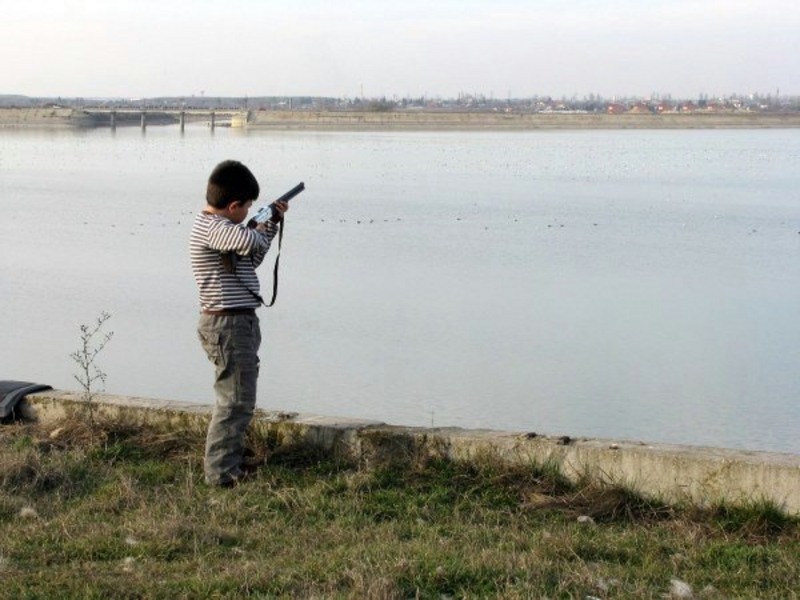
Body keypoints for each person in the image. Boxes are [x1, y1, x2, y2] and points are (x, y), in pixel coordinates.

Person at [190, 160, 288, 487]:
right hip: (226, 325)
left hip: (238, 323)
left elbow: (252, 257)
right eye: (246, 207)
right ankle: (222, 473)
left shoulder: (227, 232)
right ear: (233, 206)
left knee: (240, 396)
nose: (248, 212)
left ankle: (230, 459)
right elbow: (249, 242)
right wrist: (260, 225)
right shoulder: (210, 227)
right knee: (234, 402)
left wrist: (269, 224)